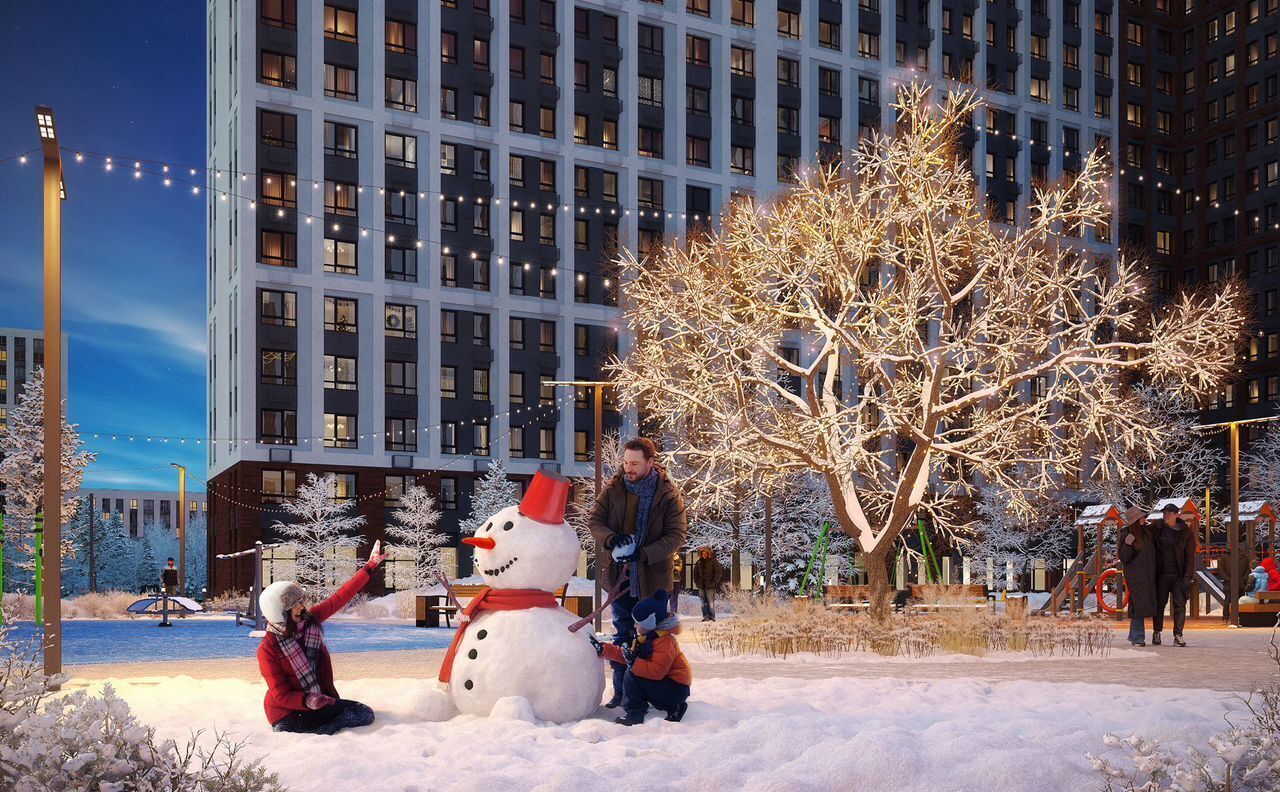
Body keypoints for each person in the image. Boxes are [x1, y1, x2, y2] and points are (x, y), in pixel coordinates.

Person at [587, 437, 688, 709]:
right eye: (625, 462)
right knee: (622, 636)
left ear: (650, 463)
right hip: (620, 580)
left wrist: (644, 554)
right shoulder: (614, 489)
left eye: (634, 463)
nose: (628, 468)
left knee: (652, 642)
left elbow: (676, 535)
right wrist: (611, 539)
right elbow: (594, 519)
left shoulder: (668, 494)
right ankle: (621, 694)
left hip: (653, 582)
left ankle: (650, 694)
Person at [256, 540, 387, 734]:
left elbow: (340, 597)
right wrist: (307, 700)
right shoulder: (268, 649)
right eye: (295, 605)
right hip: (287, 713)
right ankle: (317, 730)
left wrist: (369, 567)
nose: (302, 607)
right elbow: (281, 695)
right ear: (279, 612)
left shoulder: (310, 620)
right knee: (301, 724)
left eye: (301, 601)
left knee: (363, 713)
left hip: (320, 701)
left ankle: (326, 728)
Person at [591, 589, 691, 726]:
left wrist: (633, 663)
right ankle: (669, 706)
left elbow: (657, 671)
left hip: (675, 689)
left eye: (639, 623)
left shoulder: (665, 642)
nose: (636, 626)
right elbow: (625, 655)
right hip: (665, 685)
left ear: (650, 624)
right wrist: (603, 649)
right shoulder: (647, 638)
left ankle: (636, 714)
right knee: (633, 672)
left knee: (632, 675)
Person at [1153, 504, 1196, 647]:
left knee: (1180, 605)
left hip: (1179, 575)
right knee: (1159, 605)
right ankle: (1157, 632)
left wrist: (1188, 576)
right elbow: (1143, 534)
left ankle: (1178, 635)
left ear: (1176, 515)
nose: (1165, 515)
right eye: (1164, 513)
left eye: (1168, 513)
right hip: (1162, 574)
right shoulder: (1158, 528)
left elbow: (1190, 557)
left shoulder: (1186, 533)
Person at [1117, 506, 1157, 647]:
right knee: (1139, 605)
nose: (1143, 519)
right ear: (1135, 520)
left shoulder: (1146, 532)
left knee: (1139, 605)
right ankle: (1138, 637)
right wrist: (1128, 544)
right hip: (1136, 576)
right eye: (1141, 517)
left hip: (1148, 574)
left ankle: (1135, 636)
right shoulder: (1127, 534)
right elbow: (1124, 557)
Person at [692, 547, 726, 622]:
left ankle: (712, 617)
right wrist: (696, 582)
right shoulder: (698, 562)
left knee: (710, 602)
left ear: (708, 554)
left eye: (705, 554)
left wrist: (714, 582)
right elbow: (695, 574)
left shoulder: (714, 562)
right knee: (702, 602)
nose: (704, 555)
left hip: (710, 585)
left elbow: (718, 572)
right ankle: (705, 616)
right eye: (702, 554)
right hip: (701, 585)